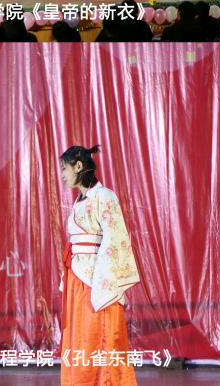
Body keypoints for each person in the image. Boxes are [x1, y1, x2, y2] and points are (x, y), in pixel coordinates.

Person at [58, 145, 139, 386]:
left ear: (78, 166)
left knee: (98, 336)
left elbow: (114, 240)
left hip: (96, 280)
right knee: (80, 338)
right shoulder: (80, 201)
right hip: (78, 277)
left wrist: (103, 284)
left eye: (64, 168)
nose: (62, 175)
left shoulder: (104, 196)